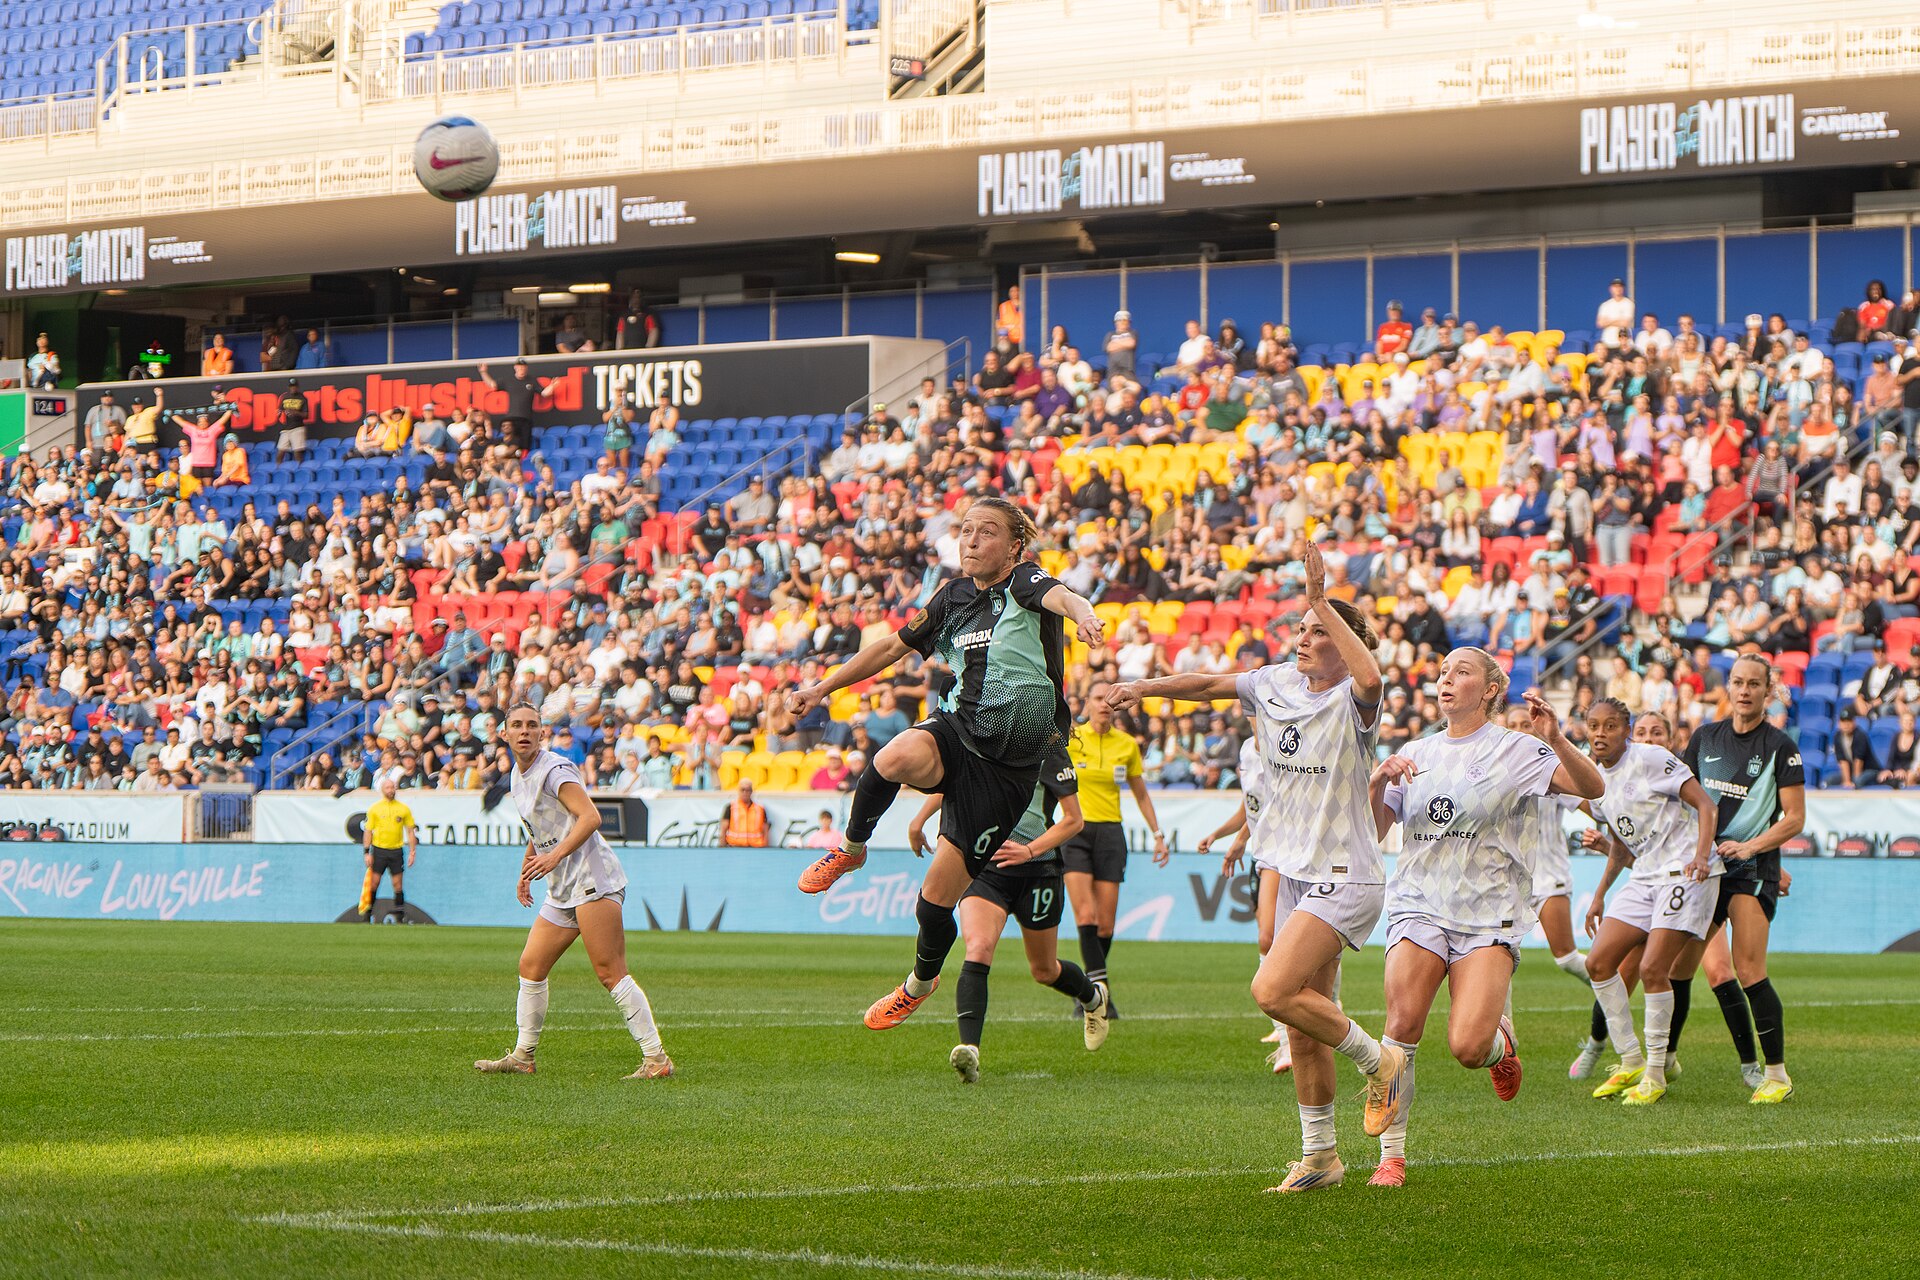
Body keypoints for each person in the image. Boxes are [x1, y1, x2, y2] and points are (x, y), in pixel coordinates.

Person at [1108, 545, 1408, 1193]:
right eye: (1301, 626)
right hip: (1294, 870)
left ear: (1345, 643)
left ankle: (1381, 1063)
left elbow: (1373, 679)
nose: (1303, 637)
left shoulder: (1354, 700)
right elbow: (1205, 685)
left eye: (1318, 630)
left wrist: (1322, 598)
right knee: (1303, 1026)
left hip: (1345, 873)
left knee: (1271, 991)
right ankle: (1321, 1157)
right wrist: (1143, 688)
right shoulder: (1274, 684)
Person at [786, 495, 1104, 1031]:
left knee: (934, 902)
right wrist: (822, 688)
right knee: (893, 755)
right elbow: (890, 647)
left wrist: (1085, 614)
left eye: (987, 531)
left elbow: (1063, 597)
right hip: (957, 730)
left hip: (1007, 771)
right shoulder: (952, 596)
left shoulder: (1024, 582)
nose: (972, 540)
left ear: (1015, 546)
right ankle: (851, 850)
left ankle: (918, 984)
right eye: (966, 530)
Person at [1368, 651, 1604, 1186]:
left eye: (1462, 672)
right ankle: (1391, 1158)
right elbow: (1374, 831)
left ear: (1492, 689)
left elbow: (1593, 788)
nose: (1446, 680)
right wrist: (1378, 781)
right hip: (1419, 903)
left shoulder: (1518, 749)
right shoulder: (1415, 752)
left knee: (1468, 1048)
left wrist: (1557, 738)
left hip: (1488, 914)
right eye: (1443, 673)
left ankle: (1500, 1047)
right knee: (1401, 1026)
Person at [475, 704, 673, 1080]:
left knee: (610, 972)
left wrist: (553, 857)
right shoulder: (517, 775)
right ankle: (523, 1056)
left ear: (542, 733)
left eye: (532, 725)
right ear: (503, 734)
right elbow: (539, 828)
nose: (524, 731)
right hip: (563, 887)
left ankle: (656, 1059)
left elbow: (591, 817)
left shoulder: (555, 770)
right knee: (531, 966)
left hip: (592, 879)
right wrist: (526, 869)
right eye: (516, 725)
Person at [909, 745, 1109, 1083]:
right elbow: (955, 781)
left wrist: (1029, 850)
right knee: (978, 947)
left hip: (1038, 870)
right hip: (985, 867)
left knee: (1044, 970)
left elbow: (1074, 820)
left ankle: (1092, 997)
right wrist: (919, 820)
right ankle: (970, 1050)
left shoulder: (1049, 752)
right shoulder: (984, 738)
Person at [1579, 700, 1721, 1106]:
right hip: (1645, 875)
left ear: (1627, 730)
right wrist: (1599, 895)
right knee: (1598, 962)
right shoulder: (1596, 783)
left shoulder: (1652, 758)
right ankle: (1631, 1060)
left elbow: (1706, 805)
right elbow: (1622, 845)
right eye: (1593, 725)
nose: (1601, 733)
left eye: (1610, 725)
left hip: (1686, 870)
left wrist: (1701, 855)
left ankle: (1656, 1073)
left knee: (1653, 968)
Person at [1680, 654, 1805, 1103]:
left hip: (1752, 872)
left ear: (1768, 692)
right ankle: (1660, 1064)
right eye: (1738, 682)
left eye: (1754, 684)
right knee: (1681, 969)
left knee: (1749, 970)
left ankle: (1776, 1075)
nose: (1745, 690)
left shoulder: (1781, 746)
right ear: (1728, 688)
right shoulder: (1704, 737)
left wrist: (1753, 848)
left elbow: (1795, 818)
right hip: (1707, 870)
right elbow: (1683, 804)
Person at [1059, 687, 1169, 1019]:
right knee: (1086, 917)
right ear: (1086, 704)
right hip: (1075, 831)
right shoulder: (1072, 739)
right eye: (1097, 699)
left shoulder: (1126, 745)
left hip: (1110, 834)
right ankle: (1100, 994)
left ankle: (1087, 990)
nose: (1104, 705)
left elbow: (1141, 794)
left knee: (1105, 927)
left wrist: (1158, 834)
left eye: (1110, 700)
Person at [1503, 705, 1589, 988]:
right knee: (1497, 960)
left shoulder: (1551, 768)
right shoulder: (1494, 769)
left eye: (1525, 725)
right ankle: (1502, 1022)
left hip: (1549, 874)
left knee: (1567, 958)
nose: (1519, 731)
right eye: (1512, 725)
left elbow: (1594, 806)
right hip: (1505, 879)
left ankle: (1613, 985)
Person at [357, 776, 418, 923]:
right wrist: (366, 852)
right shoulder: (375, 808)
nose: (391, 790)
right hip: (379, 850)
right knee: (374, 883)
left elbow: (410, 831)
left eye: (392, 787)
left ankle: (400, 916)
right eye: (388, 788)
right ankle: (367, 914)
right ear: (382, 790)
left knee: (398, 884)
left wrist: (412, 851)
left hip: (396, 851)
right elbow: (368, 831)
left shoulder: (403, 809)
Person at [719, 779, 769, 847]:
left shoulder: (760, 809)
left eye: (748, 790)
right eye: (742, 790)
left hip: (756, 847)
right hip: (735, 846)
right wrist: (722, 846)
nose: (745, 792)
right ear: (738, 791)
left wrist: (765, 847)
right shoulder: (730, 807)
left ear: (751, 791)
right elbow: (723, 830)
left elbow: (765, 831)